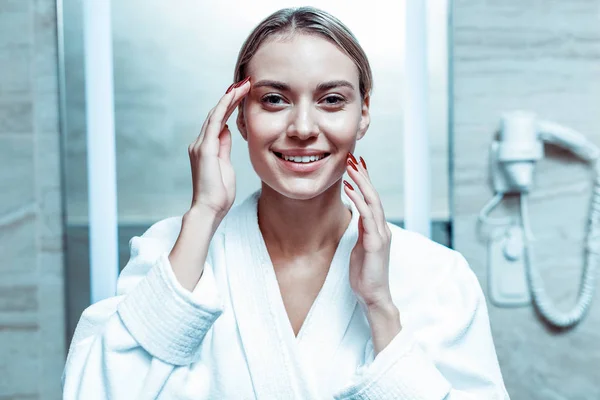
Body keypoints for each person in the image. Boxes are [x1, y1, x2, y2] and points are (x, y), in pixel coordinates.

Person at [62, 6, 509, 400]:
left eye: (331, 100)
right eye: (274, 99)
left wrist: (380, 309)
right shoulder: (174, 254)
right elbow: (91, 391)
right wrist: (202, 215)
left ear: (364, 114)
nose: (301, 127)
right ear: (239, 115)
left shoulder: (435, 276)